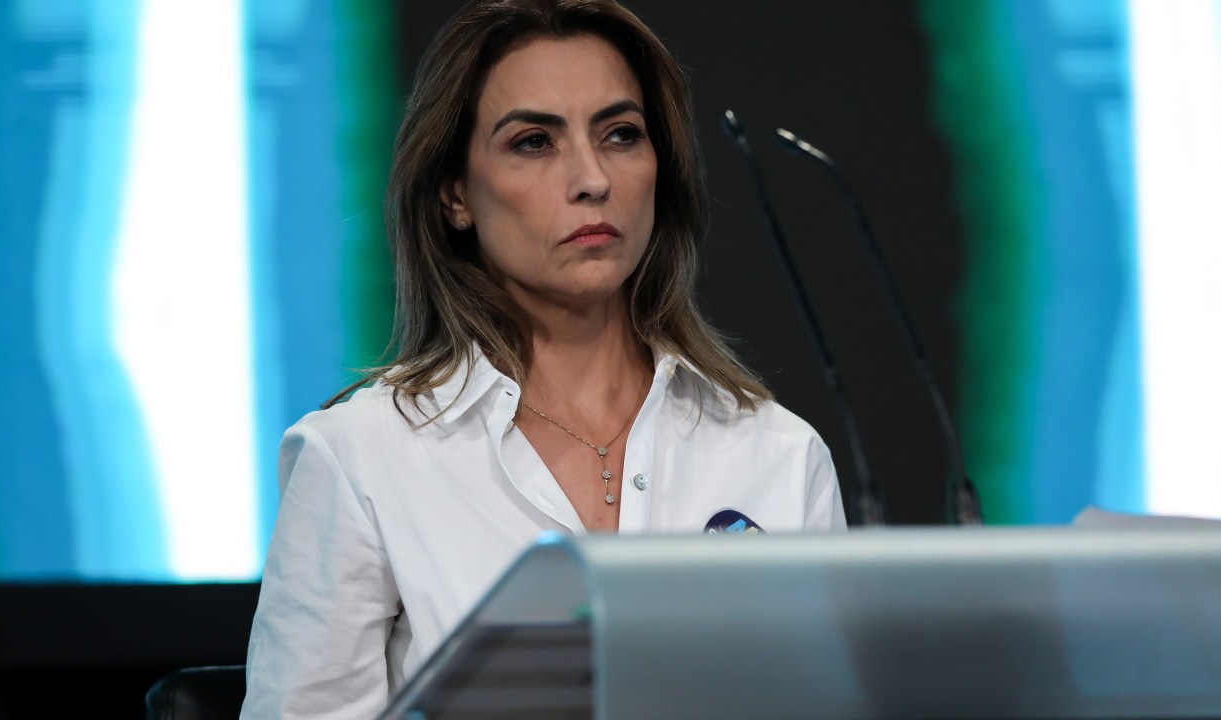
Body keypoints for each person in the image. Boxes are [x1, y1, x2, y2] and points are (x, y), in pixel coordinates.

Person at [241, 0, 846, 716]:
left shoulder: (775, 453)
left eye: (621, 135)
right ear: (455, 194)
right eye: (534, 142)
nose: (592, 179)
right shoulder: (363, 458)